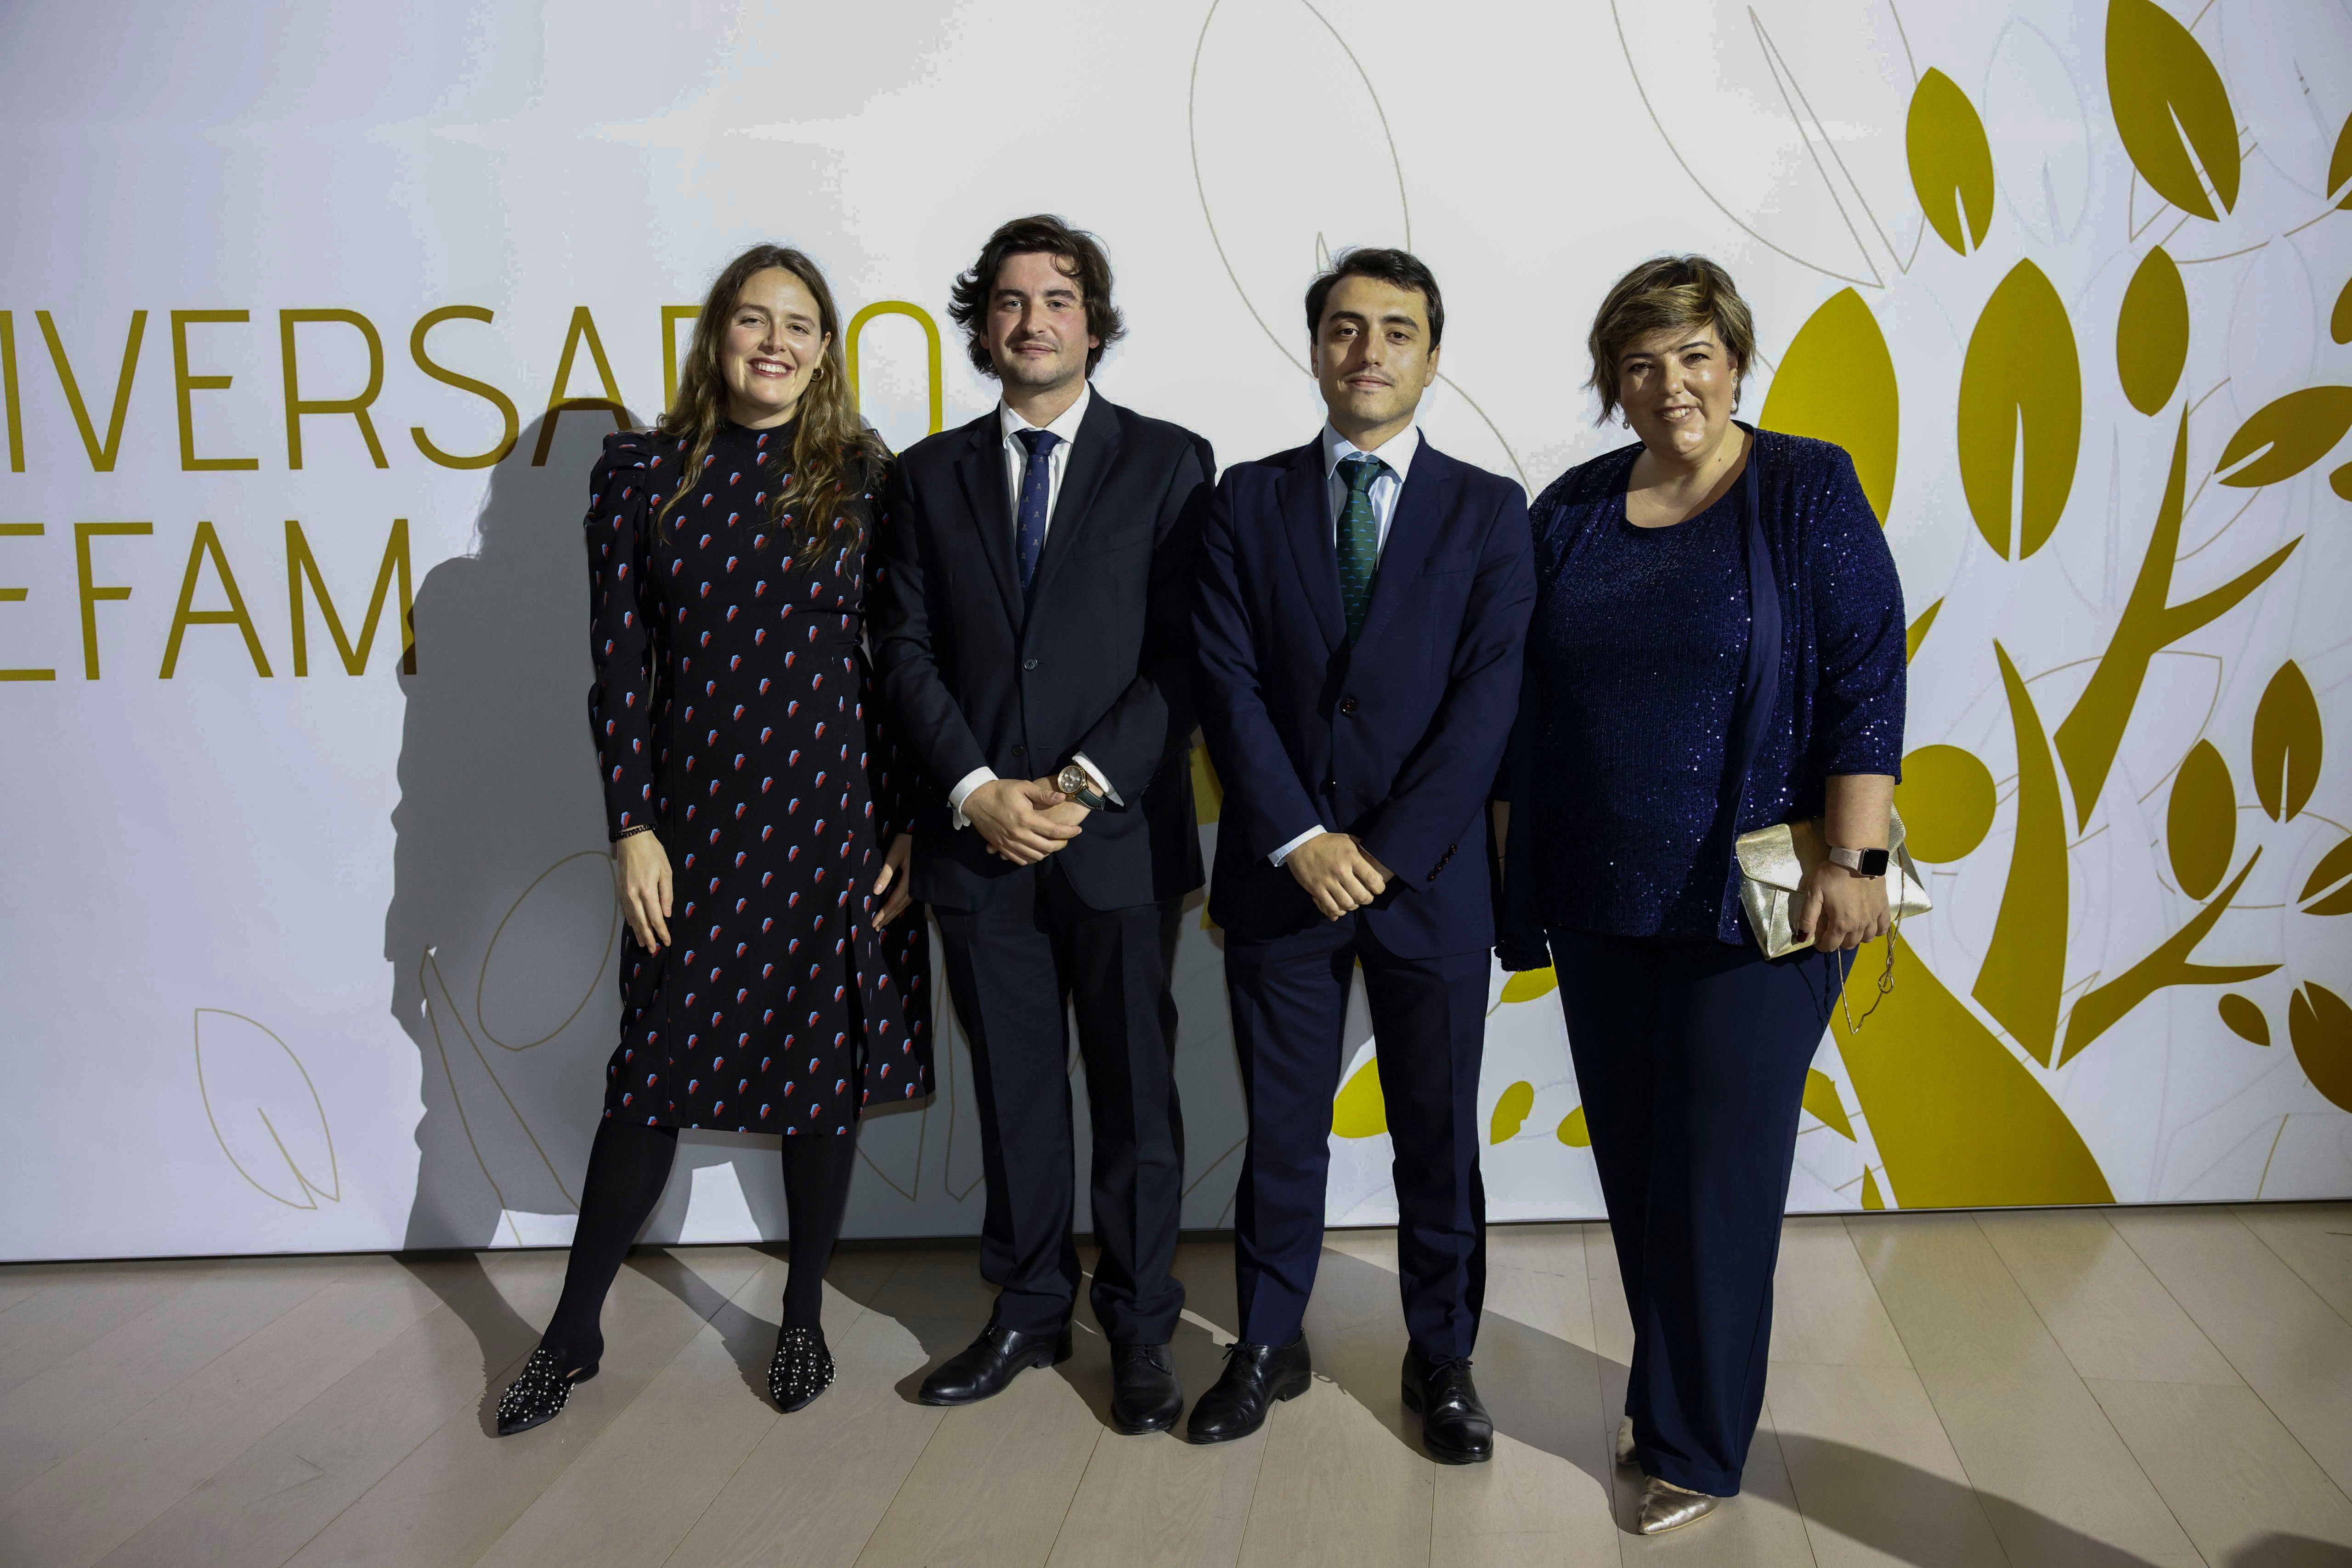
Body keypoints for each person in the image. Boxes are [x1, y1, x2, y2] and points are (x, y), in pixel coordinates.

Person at [494, 244, 933, 1436]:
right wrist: (631, 824)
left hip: (836, 821)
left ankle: (801, 1315)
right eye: (753, 320)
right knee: (648, 1082)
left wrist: (905, 822)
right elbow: (619, 669)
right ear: (716, 338)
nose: (775, 343)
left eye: (799, 325)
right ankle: (574, 1328)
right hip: (695, 829)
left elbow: (895, 669)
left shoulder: (865, 477)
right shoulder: (640, 472)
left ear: (826, 350)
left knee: (822, 1073)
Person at [1498, 255, 1905, 1533]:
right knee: (1639, 1166)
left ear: (1734, 358)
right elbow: (1519, 708)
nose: (1669, 383)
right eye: (1640, 362)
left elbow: (1864, 675)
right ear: (1612, 380)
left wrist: (1858, 862)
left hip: (1761, 900)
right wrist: (1513, 884)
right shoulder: (1565, 511)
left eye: (1692, 354)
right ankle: (1674, 1389)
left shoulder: (1802, 485)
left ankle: (1695, 1443)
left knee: (1719, 1170)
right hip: (1601, 889)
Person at [869, 215, 1214, 1434]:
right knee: (1014, 1093)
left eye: (1057, 300)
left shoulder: (1173, 464)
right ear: (983, 329)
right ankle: (1023, 1312)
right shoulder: (923, 478)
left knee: (1134, 1102)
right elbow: (903, 648)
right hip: (978, 844)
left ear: (1095, 324)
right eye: (1009, 303)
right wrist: (974, 791)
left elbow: (1183, 656)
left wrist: (1075, 787)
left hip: (1114, 842)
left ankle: (1136, 1328)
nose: (1032, 322)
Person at [1187, 248, 1533, 1461]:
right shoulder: (1244, 499)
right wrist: (1299, 839)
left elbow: (1489, 704)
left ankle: (1442, 1360)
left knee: (1438, 1135)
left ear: (1432, 356)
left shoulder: (1493, 513)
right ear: (1316, 346)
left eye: (1397, 330)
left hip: (1429, 883)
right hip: (1283, 880)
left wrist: (1380, 852)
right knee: (1283, 1130)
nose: (1368, 351)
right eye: (1345, 327)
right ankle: (1268, 1346)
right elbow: (1224, 685)